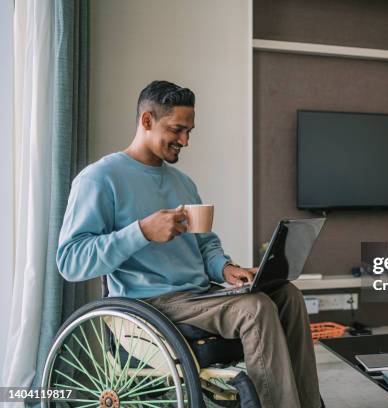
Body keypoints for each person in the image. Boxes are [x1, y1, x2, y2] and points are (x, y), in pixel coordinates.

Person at [57, 80, 322, 408]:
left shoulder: (183, 183)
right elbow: (70, 261)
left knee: (287, 295)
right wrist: (141, 231)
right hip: (152, 303)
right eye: (177, 129)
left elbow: (206, 245)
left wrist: (226, 268)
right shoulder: (100, 179)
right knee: (255, 309)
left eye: (189, 132)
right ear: (147, 121)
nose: (184, 140)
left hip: (200, 296)